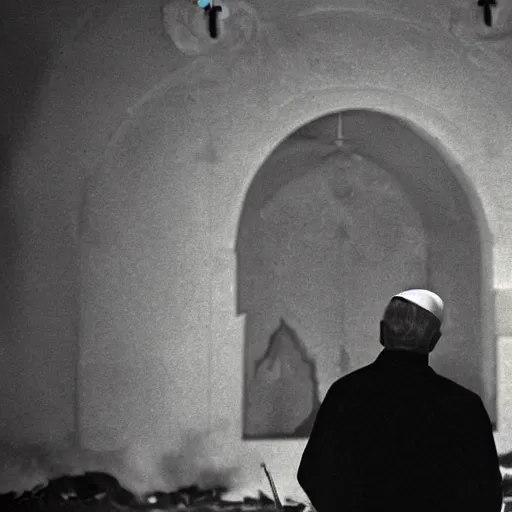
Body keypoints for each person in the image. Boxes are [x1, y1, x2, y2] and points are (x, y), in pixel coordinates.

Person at [297, 289, 503, 512]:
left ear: (381, 333)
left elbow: (312, 474)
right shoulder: (465, 406)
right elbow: (487, 496)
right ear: (434, 340)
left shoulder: (343, 394)